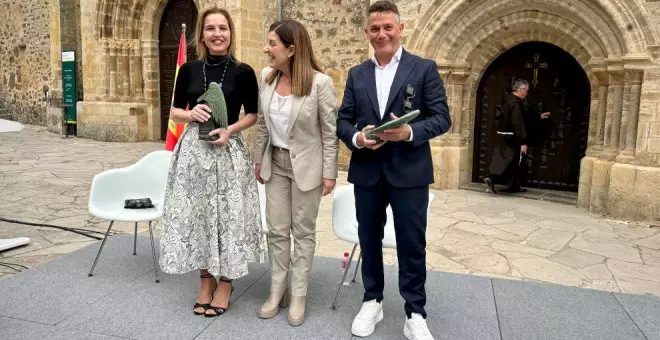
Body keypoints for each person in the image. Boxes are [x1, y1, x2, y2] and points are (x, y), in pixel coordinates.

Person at [336, 1, 451, 339]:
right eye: (375, 28)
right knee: (368, 238)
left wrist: (409, 132)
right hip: (368, 170)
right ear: (367, 33)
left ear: (401, 29)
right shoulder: (357, 74)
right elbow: (342, 120)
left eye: (388, 27)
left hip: (410, 170)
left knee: (412, 243)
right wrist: (357, 137)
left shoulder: (423, 68)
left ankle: (414, 311)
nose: (382, 33)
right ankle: (372, 300)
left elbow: (442, 118)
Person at [159, 6, 264, 318]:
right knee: (200, 216)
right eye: (210, 29)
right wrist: (190, 114)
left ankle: (226, 283)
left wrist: (229, 130)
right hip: (194, 154)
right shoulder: (189, 70)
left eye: (223, 28)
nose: (217, 34)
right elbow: (174, 111)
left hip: (228, 151)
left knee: (228, 217)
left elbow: (253, 115)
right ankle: (205, 281)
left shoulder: (244, 72)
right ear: (201, 35)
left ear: (231, 34)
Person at [254, 19, 338, 327]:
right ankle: (277, 289)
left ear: (291, 49)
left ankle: (298, 294)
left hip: (307, 167)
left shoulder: (320, 84)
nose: (266, 49)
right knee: (276, 230)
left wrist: (330, 173)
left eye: (272, 44)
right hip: (274, 164)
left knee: (302, 233)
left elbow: (329, 134)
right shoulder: (266, 78)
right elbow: (263, 124)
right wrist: (258, 160)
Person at [484, 79, 535, 194]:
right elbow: (517, 123)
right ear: (522, 90)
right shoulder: (515, 104)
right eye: (526, 91)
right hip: (512, 138)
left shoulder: (508, 100)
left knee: (511, 161)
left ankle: (514, 185)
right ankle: (492, 179)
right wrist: (523, 141)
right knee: (510, 162)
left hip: (503, 136)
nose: (526, 94)